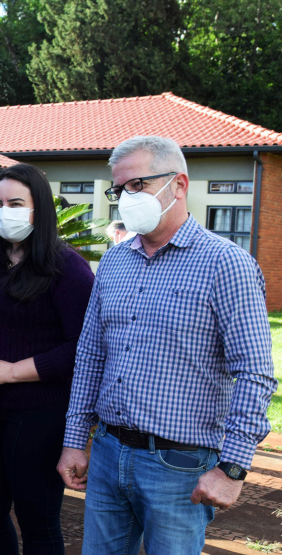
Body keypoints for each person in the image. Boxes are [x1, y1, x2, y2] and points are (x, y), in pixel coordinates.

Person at [57, 136, 276, 554]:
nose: (126, 198)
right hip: (107, 451)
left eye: (138, 185)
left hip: (179, 466)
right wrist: (74, 439)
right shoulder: (116, 261)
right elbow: (90, 355)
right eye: (119, 189)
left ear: (178, 184)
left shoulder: (225, 264)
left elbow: (255, 372)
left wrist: (232, 469)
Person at [0, 163, 94, 554]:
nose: (3, 211)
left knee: (37, 519)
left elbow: (82, 348)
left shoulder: (67, 267)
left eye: (16, 203)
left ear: (41, 209)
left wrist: (12, 371)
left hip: (40, 411)